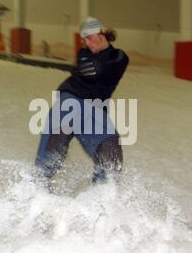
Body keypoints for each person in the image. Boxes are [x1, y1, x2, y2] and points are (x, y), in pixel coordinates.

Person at [35, 17, 129, 187]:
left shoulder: (119, 56)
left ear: (101, 33)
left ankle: (102, 195)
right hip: (71, 99)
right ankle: (37, 184)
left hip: (95, 109)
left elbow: (109, 67)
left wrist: (100, 67)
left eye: (89, 37)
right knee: (57, 137)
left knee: (111, 151)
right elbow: (89, 69)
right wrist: (97, 67)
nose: (87, 42)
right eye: (84, 39)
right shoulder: (83, 54)